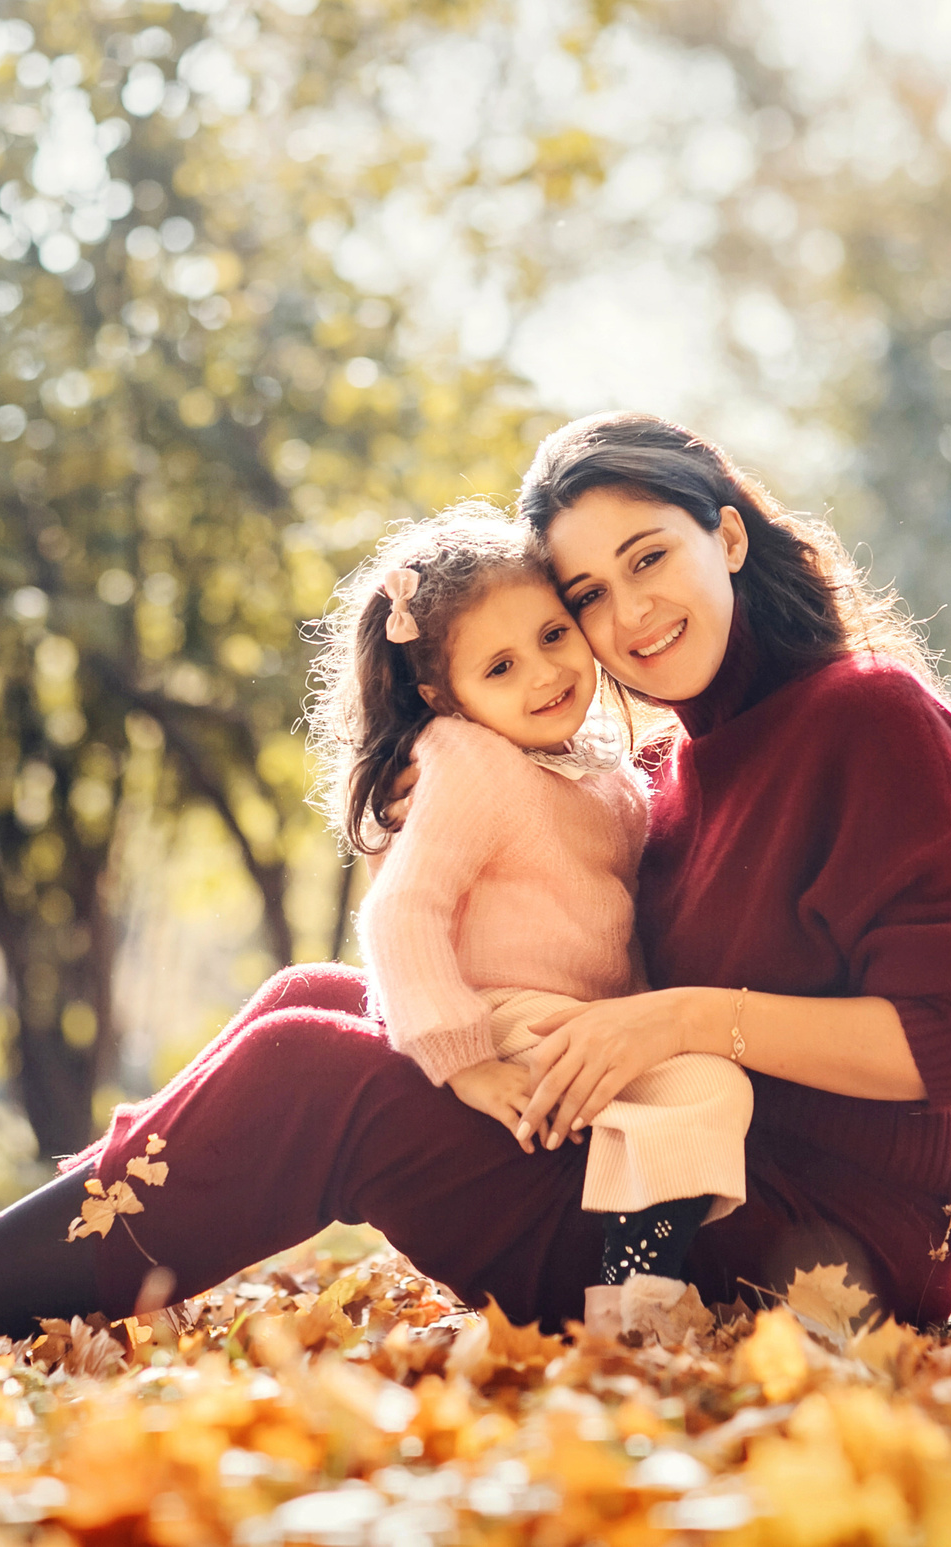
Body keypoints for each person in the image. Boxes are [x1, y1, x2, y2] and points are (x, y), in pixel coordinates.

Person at [0, 413, 951, 1371]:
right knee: (317, 996)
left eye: (651, 558)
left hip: (813, 1250)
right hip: (662, 1167)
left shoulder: (870, 719)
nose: (626, 614)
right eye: (585, 593)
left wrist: (678, 1019)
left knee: (313, 1072)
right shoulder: (668, 769)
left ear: (728, 537)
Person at [313, 501, 750, 1336]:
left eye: (553, 636)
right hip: (505, 1017)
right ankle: (633, 1306)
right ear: (444, 695)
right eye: (501, 667)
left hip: (581, 1018)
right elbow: (402, 911)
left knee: (699, 1083)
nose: (545, 675)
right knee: (707, 1086)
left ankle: (627, 1287)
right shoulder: (469, 758)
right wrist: (464, 1060)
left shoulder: (601, 766)